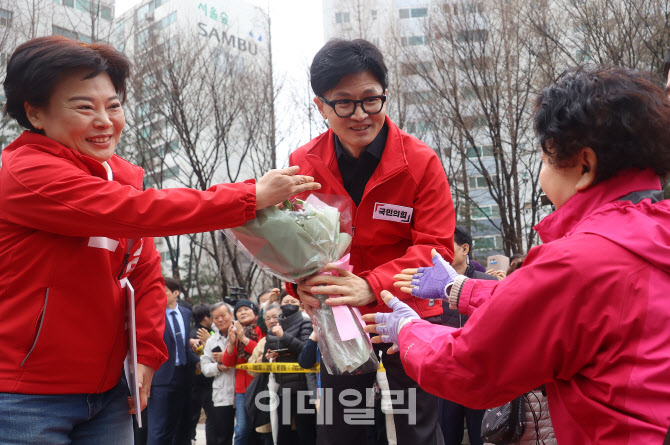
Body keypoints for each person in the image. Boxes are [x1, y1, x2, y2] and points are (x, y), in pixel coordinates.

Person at [0, 36, 319, 445]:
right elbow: (137, 211)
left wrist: (147, 355)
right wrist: (249, 195)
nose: (104, 120)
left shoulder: (119, 179)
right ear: (35, 112)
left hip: (109, 395)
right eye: (84, 106)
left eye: (113, 105)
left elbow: (146, 277)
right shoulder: (27, 173)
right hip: (25, 396)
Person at [365, 66, 670, 444]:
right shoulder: (645, 239)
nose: (542, 174)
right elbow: (553, 305)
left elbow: (472, 366)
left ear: (585, 166)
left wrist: (410, 332)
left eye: (545, 158)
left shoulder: (579, 260)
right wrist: (461, 288)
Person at [286, 38, 454, 445]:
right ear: (320, 106)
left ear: (385, 96)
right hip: (340, 319)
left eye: (371, 100)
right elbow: (291, 245)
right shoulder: (302, 164)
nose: (360, 114)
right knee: (341, 429)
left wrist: (372, 286)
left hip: (409, 312)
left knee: (417, 426)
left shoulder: (420, 162)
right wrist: (299, 286)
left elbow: (437, 249)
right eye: (344, 102)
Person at [438, 226, 497, 445]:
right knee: (447, 437)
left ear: (465, 249)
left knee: (482, 436)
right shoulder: (430, 288)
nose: (441, 252)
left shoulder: (488, 283)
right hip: (445, 379)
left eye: (447, 246)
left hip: (481, 378)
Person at [147, 278, 198, 445]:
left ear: (176, 293)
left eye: (165, 291)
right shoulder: (153, 313)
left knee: (183, 425)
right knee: (159, 427)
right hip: (162, 377)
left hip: (184, 375)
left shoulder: (185, 313)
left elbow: (183, 343)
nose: (161, 294)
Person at [263, 294, 316, 445]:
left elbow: (306, 350)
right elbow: (266, 355)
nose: (289, 304)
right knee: (284, 433)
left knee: (305, 431)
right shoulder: (273, 329)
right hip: (283, 387)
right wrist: (269, 356)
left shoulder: (305, 323)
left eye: (293, 301)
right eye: (286, 301)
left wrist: (284, 336)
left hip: (303, 387)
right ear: (280, 305)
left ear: (300, 304)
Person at [221, 299, 265, 445]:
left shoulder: (261, 328)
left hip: (260, 385)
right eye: (239, 311)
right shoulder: (235, 331)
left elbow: (261, 354)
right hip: (242, 388)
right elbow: (228, 362)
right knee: (241, 429)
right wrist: (232, 343)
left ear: (255, 312)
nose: (243, 312)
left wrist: (244, 339)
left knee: (262, 428)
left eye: (246, 309)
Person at [201, 302, 237, 445]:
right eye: (216, 317)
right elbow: (205, 367)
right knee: (222, 436)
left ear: (231, 315)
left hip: (242, 391)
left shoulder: (241, 333)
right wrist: (219, 367)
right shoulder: (211, 341)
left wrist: (227, 357)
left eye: (223, 315)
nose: (220, 320)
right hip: (222, 394)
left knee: (245, 433)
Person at [185, 303, 216, 445]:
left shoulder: (203, 332)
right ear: (205, 318)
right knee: (202, 416)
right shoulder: (197, 335)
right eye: (213, 316)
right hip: (201, 383)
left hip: (203, 383)